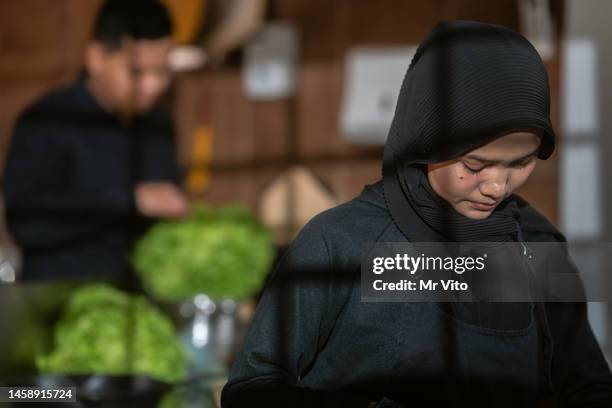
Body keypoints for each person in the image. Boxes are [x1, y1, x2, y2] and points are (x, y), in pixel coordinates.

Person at [221, 21, 612, 407]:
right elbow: (251, 390)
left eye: (522, 162)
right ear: (424, 138)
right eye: (475, 165)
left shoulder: (537, 247)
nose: (498, 186)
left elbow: (589, 387)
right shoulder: (340, 242)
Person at [2, 0, 188, 282]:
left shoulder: (157, 125)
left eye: (162, 71)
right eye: (137, 72)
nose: (153, 86)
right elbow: (26, 222)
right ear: (96, 58)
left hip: (138, 301)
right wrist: (130, 200)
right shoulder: (46, 120)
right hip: (56, 298)